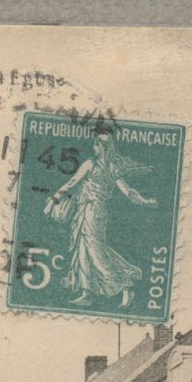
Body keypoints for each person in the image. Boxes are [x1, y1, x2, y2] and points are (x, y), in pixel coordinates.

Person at [43, 129, 155, 308]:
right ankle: (87, 292)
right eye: (95, 142)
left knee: (95, 252)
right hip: (88, 210)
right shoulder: (110, 167)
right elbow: (128, 192)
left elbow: (73, 183)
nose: (94, 146)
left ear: (104, 147)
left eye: (98, 143)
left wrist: (53, 201)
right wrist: (145, 201)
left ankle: (125, 283)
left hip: (92, 211)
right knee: (83, 250)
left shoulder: (94, 164)